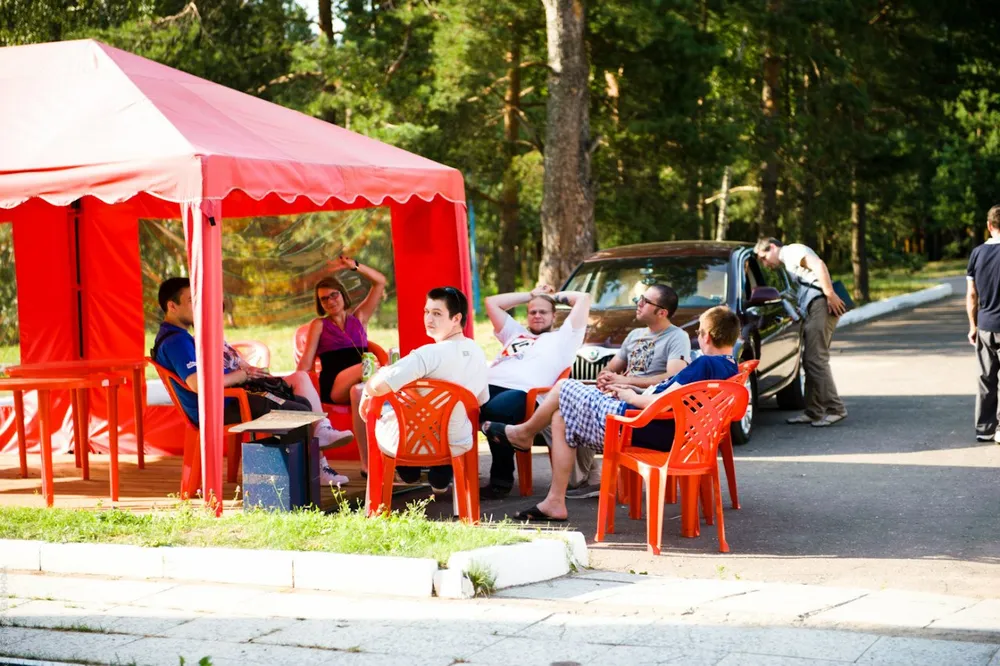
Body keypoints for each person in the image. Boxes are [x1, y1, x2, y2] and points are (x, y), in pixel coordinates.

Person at [483, 305, 741, 522]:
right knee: (561, 416)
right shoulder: (731, 369)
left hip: (637, 425)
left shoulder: (705, 363)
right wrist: (628, 389)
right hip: (663, 429)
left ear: (706, 336)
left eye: (699, 332)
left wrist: (631, 397)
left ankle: (523, 433)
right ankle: (554, 501)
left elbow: (664, 401)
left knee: (563, 388)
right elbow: (673, 398)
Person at [153, 277, 353, 485]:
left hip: (225, 400)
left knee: (301, 404)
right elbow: (197, 384)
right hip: (220, 407)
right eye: (191, 301)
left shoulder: (177, 337)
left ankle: (306, 474)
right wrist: (242, 376)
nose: (198, 307)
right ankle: (295, 483)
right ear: (172, 306)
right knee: (299, 411)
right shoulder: (176, 341)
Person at [563, 283, 692, 500]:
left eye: (645, 301)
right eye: (639, 298)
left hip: (641, 406)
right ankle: (586, 479)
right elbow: (611, 367)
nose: (638, 303)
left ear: (662, 312)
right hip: (619, 396)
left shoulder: (677, 337)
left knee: (564, 398)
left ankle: (588, 479)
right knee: (567, 411)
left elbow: (673, 378)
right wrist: (604, 377)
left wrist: (626, 381)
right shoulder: (634, 335)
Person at [360, 287, 489, 494]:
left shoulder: (428, 354)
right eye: (426, 311)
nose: (429, 319)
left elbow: (378, 386)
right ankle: (440, 471)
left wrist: (369, 387)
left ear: (456, 318)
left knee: (382, 410)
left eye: (437, 313)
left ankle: (408, 468)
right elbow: (480, 400)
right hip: (457, 442)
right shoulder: (477, 352)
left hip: (411, 444)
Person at [478, 284, 592, 499]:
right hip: (487, 386)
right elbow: (492, 302)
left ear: (554, 316)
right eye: (532, 312)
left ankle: (501, 481)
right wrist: (531, 295)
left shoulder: (566, 337)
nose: (537, 316)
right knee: (456, 408)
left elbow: (583, 298)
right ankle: (439, 473)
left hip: (525, 394)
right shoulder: (515, 333)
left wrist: (550, 296)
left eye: (543, 312)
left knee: (495, 411)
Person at [297, 256, 387, 475]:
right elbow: (305, 363)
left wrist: (355, 266)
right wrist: (298, 382)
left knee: (359, 392)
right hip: (335, 385)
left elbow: (380, 282)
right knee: (366, 367)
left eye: (333, 295)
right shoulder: (319, 325)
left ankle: (367, 464)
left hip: (361, 383)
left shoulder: (360, 318)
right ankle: (387, 378)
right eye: (324, 299)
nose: (330, 301)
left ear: (342, 294)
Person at [755, 237, 848, 427]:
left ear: (772, 247)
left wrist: (829, 294)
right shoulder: (788, 263)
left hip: (821, 304)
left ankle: (835, 409)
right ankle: (814, 411)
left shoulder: (791, 251)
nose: (765, 264)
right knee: (809, 360)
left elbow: (818, 264)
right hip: (814, 307)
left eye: (763, 257)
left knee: (816, 359)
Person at [966, 205, 1000, 443]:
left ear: (989, 226)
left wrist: (973, 326)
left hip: (986, 325)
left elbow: (972, 295)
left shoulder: (977, 254)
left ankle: (985, 428)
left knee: (985, 377)